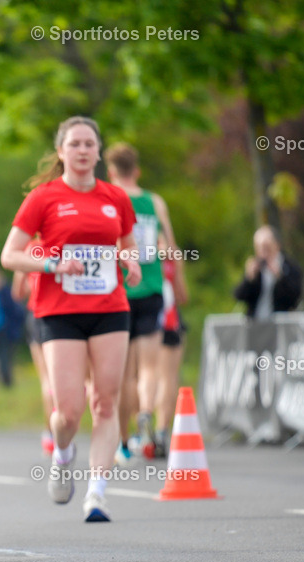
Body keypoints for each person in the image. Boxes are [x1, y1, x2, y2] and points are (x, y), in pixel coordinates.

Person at [1, 116, 141, 523]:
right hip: (58, 311)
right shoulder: (43, 198)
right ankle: (63, 454)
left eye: (89, 144)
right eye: (74, 144)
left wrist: (130, 264)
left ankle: (97, 493)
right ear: (61, 152)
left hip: (110, 308)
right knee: (68, 410)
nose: (82, 150)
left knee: (106, 401)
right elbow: (11, 255)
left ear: (99, 152)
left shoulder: (115, 197)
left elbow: (128, 243)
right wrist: (53, 264)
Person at [105, 143, 179, 463]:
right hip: (151, 289)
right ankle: (146, 413)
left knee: (124, 375)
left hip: (117, 292)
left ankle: (124, 441)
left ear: (110, 171)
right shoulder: (154, 202)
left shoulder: (107, 198)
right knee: (150, 368)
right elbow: (172, 250)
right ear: (137, 169)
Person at [10, 257, 55, 456]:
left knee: (48, 380)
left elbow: (17, 293)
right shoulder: (60, 242)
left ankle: (50, 435)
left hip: (37, 313)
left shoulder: (28, 249)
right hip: (62, 313)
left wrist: (31, 283)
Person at [154, 254, 189, 457]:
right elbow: (183, 296)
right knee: (168, 379)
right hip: (167, 320)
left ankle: (140, 432)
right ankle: (160, 431)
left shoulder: (128, 248)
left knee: (142, 376)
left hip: (141, 319)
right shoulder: (172, 257)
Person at [233, 225, 303, 319]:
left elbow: (296, 297)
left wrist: (280, 277)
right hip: (255, 326)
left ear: (277, 245)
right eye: (259, 248)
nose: (263, 252)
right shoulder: (256, 269)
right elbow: (238, 296)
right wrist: (249, 278)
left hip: (281, 325)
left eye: (266, 247)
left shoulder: (290, 267)